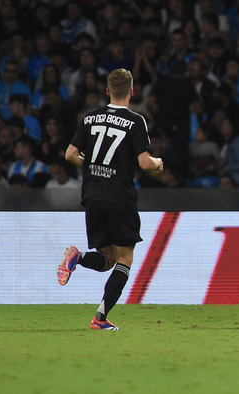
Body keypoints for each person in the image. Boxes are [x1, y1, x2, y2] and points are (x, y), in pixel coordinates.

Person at [58, 68, 163, 330]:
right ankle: (99, 319)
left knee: (107, 261)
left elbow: (70, 154)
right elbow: (144, 162)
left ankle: (78, 257)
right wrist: (158, 163)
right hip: (119, 195)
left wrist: (91, 164)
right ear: (131, 91)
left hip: (92, 194)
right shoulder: (136, 121)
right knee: (124, 259)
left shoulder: (90, 117)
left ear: (107, 91)